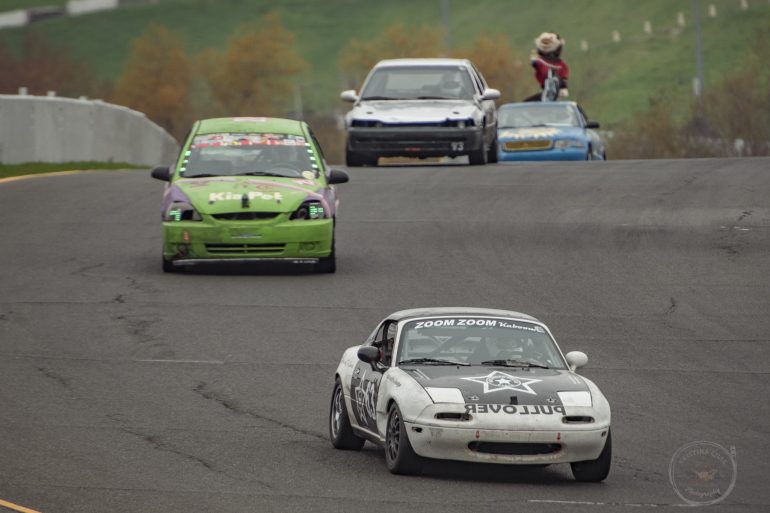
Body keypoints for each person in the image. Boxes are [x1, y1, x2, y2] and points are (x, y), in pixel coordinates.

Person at [523, 32, 570, 102]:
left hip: (557, 90)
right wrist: (534, 61)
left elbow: (564, 76)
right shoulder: (540, 61)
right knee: (526, 102)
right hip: (544, 92)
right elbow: (536, 64)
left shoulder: (561, 65)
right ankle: (550, 90)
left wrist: (563, 86)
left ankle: (554, 86)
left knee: (555, 77)